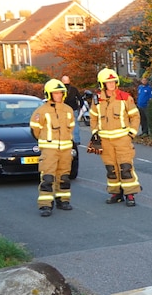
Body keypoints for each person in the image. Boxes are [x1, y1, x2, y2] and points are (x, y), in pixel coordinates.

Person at [90, 68, 142, 206]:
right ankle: (116, 193)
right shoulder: (96, 100)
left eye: (113, 81)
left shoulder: (125, 97)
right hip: (105, 141)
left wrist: (131, 133)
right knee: (111, 169)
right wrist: (95, 133)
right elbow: (93, 118)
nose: (112, 84)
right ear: (103, 84)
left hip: (122, 140)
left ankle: (130, 194)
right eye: (109, 82)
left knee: (125, 167)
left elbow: (135, 116)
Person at [29, 79, 78, 216]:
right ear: (49, 94)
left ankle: (63, 200)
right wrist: (46, 142)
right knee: (48, 177)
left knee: (64, 176)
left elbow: (71, 129)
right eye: (55, 93)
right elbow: (35, 130)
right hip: (49, 150)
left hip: (65, 149)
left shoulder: (68, 110)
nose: (58, 95)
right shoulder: (41, 111)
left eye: (60, 93)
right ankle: (45, 204)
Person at [60, 75, 82, 143]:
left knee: (63, 125)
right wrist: (80, 108)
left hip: (63, 110)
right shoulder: (74, 89)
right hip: (73, 109)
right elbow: (80, 99)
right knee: (75, 125)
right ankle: (76, 140)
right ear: (69, 81)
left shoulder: (60, 90)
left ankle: (66, 139)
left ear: (62, 81)